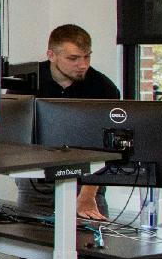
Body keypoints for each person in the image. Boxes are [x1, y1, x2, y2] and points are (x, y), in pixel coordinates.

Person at [37, 24, 122, 220]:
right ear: (51, 55)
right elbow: (11, 132)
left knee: (90, 244)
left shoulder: (104, 88)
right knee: (31, 243)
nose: (82, 65)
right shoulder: (27, 80)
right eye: (73, 58)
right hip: (37, 181)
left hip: (87, 182)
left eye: (87, 57)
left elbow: (107, 147)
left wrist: (88, 194)